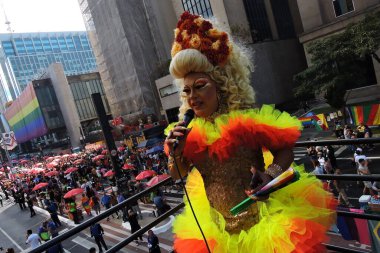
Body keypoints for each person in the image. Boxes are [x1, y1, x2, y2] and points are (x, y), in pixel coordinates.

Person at [164, 12, 335, 252]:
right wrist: (176, 153)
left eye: (200, 87)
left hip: (264, 224)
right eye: (187, 91)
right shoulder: (186, 131)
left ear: (222, 85)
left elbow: (284, 151)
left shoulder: (246, 122)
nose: (193, 97)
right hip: (217, 229)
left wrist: (269, 176)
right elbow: (176, 173)